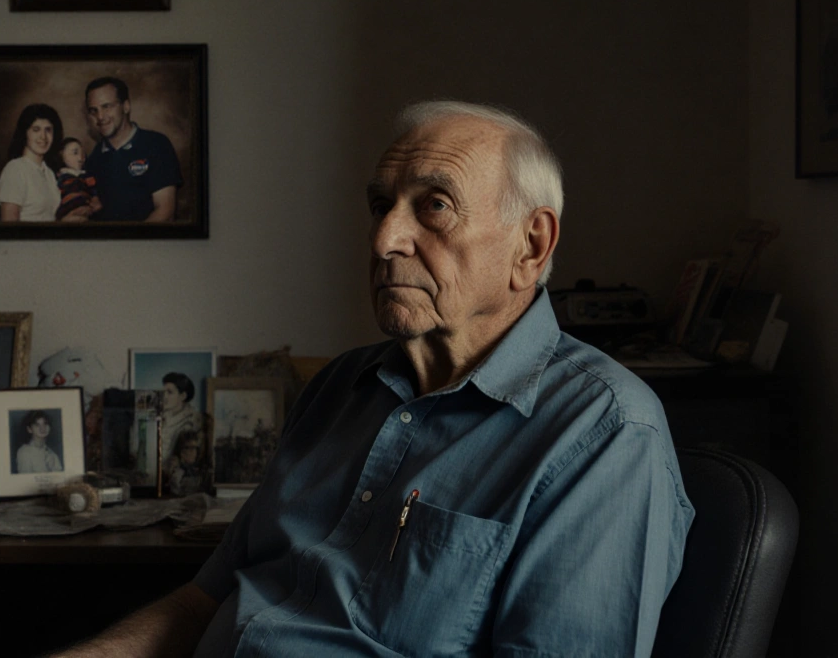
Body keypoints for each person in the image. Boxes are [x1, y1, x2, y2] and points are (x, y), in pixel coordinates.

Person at [57, 101, 694, 657]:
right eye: (381, 205)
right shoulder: (340, 387)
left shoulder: (605, 433)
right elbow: (206, 599)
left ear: (530, 247)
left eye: (435, 206)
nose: (385, 237)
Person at [82, 77, 182, 222]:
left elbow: (165, 212)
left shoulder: (156, 144)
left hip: (149, 243)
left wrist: (133, 244)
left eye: (107, 106)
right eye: (93, 110)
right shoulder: (92, 160)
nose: (100, 116)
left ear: (126, 106)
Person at [0, 103, 65, 222]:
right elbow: (9, 231)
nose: (43, 136)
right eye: (36, 129)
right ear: (25, 133)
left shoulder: (48, 172)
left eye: (48, 130)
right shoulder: (15, 169)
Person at [159, 372, 212, 496]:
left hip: (180, 484)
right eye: (163, 392)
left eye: (170, 392)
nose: (164, 396)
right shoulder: (160, 418)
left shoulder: (194, 422)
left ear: (182, 396)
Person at [55, 137, 102, 221]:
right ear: (61, 155)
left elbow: (93, 189)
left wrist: (95, 199)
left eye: (83, 154)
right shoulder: (58, 178)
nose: (80, 158)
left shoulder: (86, 176)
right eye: (75, 153)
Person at [15, 410, 63, 474]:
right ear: (29, 429)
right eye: (37, 425)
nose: (42, 428)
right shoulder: (24, 452)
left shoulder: (52, 454)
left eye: (45, 423)